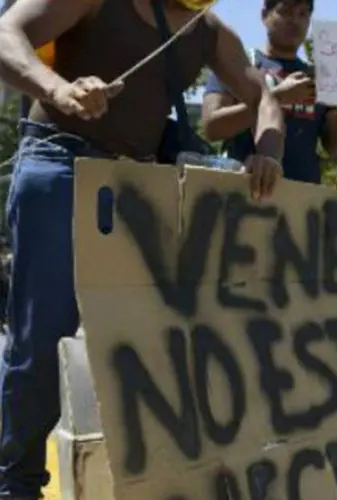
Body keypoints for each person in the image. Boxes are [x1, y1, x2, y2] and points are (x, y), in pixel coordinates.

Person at [0, 0, 286, 496]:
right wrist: (58, 89)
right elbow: (7, 34)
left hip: (138, 184)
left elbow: (265, 99)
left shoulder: (209, 28)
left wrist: (269, 153)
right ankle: (16, 482)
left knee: (158, 340)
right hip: (59, 163)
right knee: (41, 343)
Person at [201, 0, 337, 184]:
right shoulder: (239, 67)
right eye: (286, 11)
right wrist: (278, 97)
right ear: (264, 15)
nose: (295, 21)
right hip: (244, 191)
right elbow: (212, 127)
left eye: (303, 14)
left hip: (303, 200)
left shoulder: (321, 78)